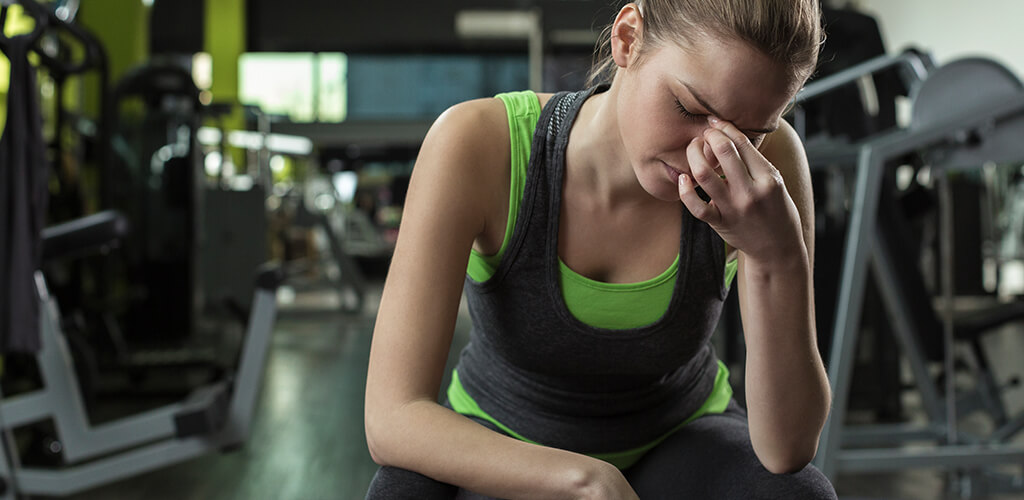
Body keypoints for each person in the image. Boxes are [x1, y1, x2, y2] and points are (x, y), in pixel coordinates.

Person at [364, 0, 837, 497]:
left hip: (679, 439)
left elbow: (786, 449)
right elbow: (391, 417)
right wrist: (585, 478)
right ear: (628, 39)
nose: (707, 158)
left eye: (748, 136)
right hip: (506, 440)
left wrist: (775, 257)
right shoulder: (477, 143)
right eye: (691, 109)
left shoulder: (768, 171)